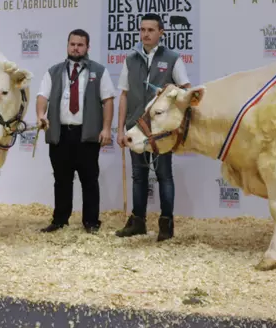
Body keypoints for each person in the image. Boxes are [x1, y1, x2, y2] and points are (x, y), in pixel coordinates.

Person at [115, 13, 191, 241]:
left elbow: (186, 91)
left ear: (161, 33)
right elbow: (124, 96)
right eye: (142, 30)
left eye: (150, 30)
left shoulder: (173, 58)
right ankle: (137, 222)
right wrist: (119, 129)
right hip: (136, 129)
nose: (145, 34)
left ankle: (166, 225)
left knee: (164, 176)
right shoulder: (130, 59)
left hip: (160, 132)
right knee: (138, 176)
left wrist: (177, 123)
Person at [36, 29, 116, 233]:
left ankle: (91, 222)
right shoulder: (53, 71)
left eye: (80, 45)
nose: (75, 48)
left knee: (89, 179)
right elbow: (42, 96)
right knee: (61, 179)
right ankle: (60, 220)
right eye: (72, 44)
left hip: (87, 134)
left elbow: (107, 101)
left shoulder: (99, 71)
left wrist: (107, 128)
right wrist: (40, 115)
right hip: (60, 134)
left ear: (87, 47)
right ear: (67, 45)